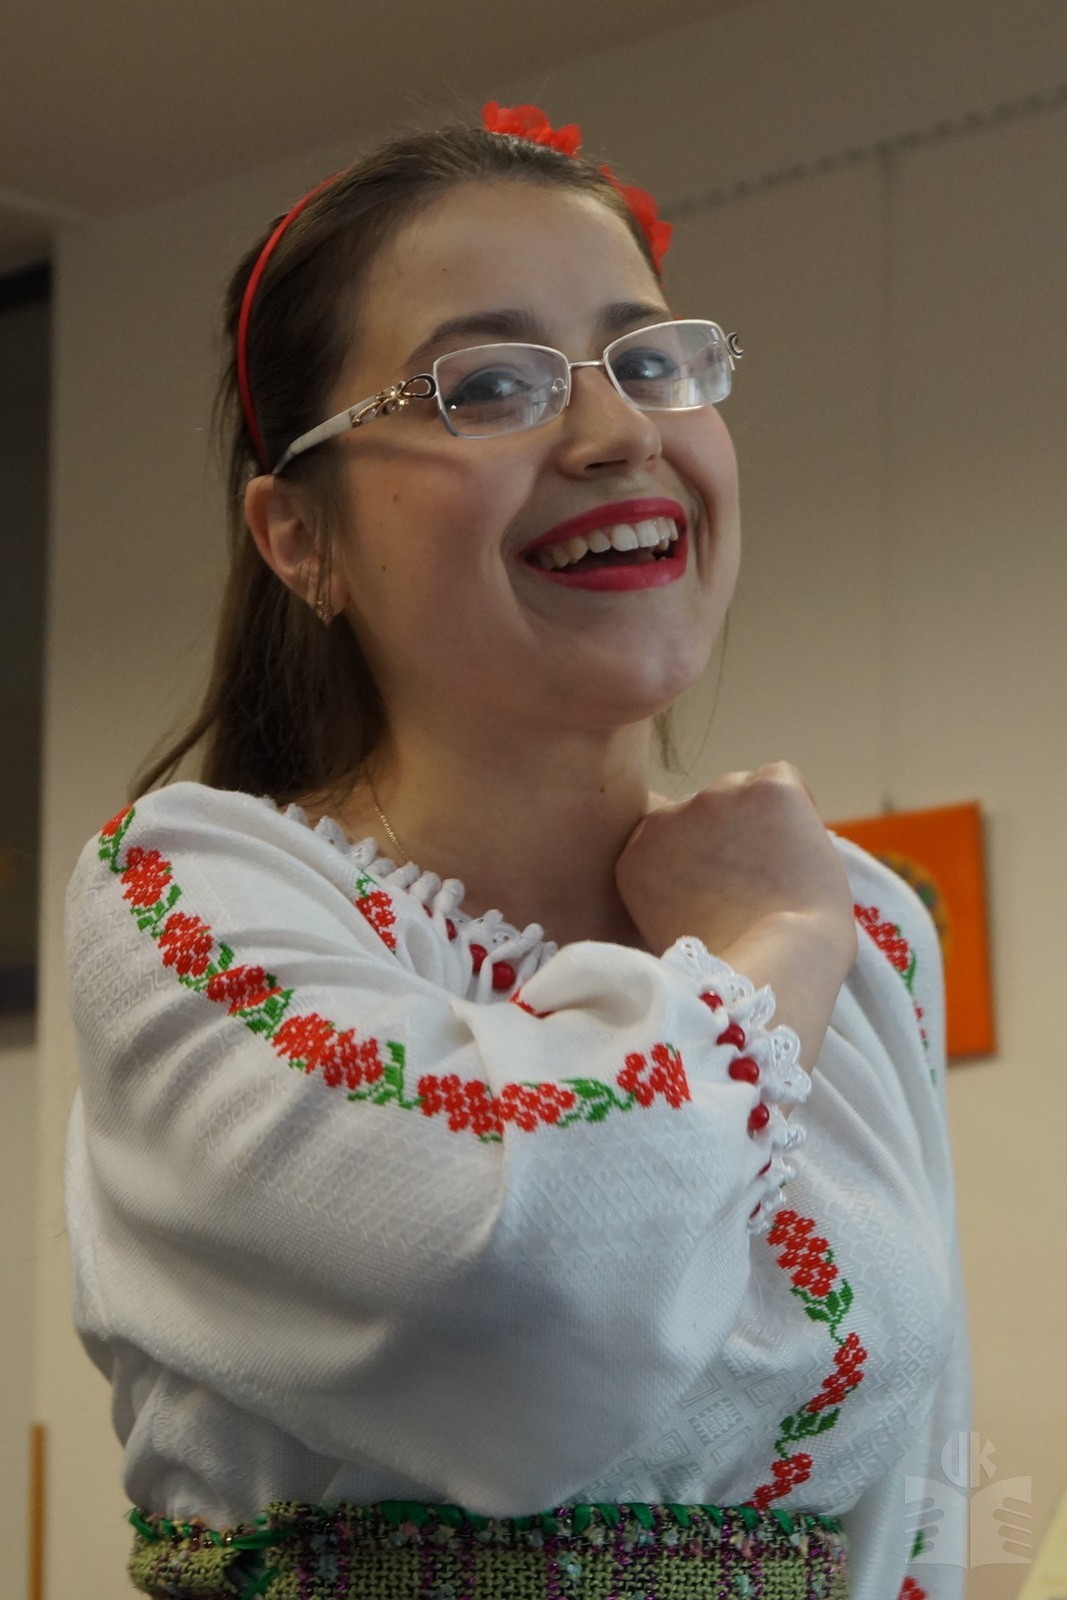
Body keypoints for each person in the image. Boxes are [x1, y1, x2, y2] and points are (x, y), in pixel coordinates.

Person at [63, 103, 969, 1600]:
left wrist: (806, 940)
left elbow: (918, 1492)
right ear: (299, 538)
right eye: (489, 386)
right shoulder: (191, 895)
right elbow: (525, 1308)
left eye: (652, 362)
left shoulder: (865, 924)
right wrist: (771, 957)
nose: (621, 434)